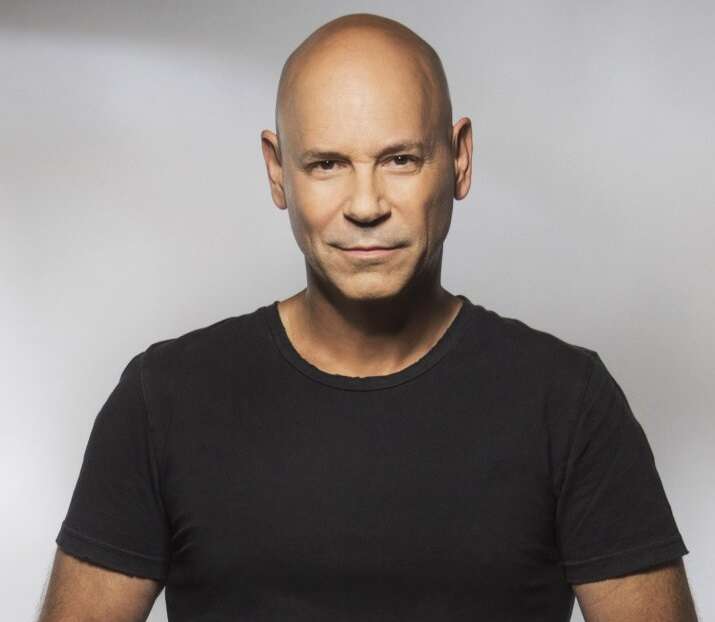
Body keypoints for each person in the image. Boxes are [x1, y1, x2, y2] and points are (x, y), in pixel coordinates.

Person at [37, 12, 698, 622]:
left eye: (400, 159)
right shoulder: (163, 399)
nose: (365, 205)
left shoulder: (568, 402)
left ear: (459, 158)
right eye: (326, 164)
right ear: (278, 172)